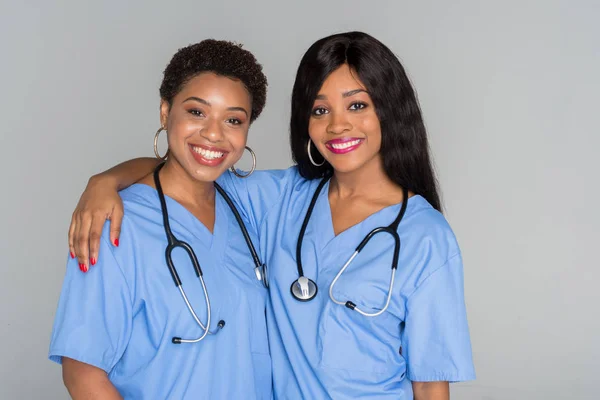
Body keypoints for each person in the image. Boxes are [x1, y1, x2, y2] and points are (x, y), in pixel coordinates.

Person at [69, 32, 475, 399]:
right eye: (320, 110)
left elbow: (429, 382)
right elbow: (190, 168)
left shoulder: (426, 237)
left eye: (357, 105)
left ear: (388, 110)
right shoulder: (280, 199)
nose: (338, 125)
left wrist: (105, 179)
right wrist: (105, 180)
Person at [49, 39, 272, 399]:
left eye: (233, 119)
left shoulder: (250, 207)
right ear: (165, 112)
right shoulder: (115, 222)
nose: (214, 133)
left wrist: (106, 177)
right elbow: (83, 374)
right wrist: (104, 183)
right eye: (197, 112)